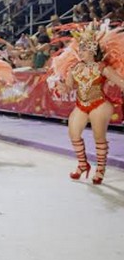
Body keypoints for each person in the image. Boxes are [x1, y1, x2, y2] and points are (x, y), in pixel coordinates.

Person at [50, 22, 124, 184]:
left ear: (92, 51)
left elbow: (121, 82)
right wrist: (62, 87)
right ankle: (83, 164)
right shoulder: (75, 68)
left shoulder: (102, 67)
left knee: (99, 137)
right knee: (74, 133)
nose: (80, 52)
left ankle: (100, 169)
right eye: (80, 49)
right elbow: (69, 87)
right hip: (81, 105)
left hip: (99, 104)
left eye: (84, 49)